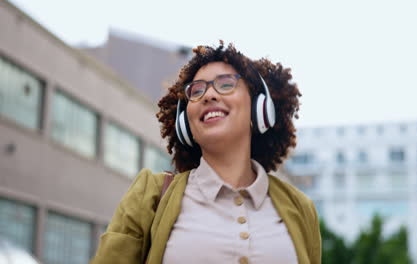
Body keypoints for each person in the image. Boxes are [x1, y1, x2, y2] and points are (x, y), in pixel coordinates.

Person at [92, 41, 321, 264]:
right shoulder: (150, 195)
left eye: (226, 83)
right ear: (185, 122)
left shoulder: (301, 208)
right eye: (197, 90)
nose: (208, 95)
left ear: (259, 107)